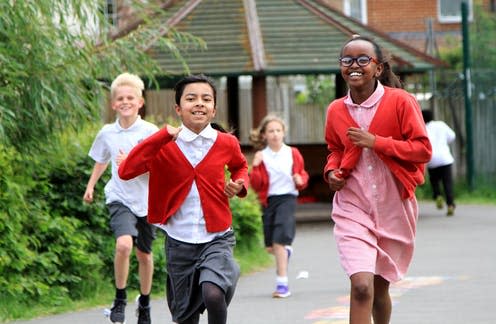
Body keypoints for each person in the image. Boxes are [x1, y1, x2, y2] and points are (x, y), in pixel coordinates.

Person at [118, 74, 249, 324]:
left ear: (213, 110)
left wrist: (239, 184)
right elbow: (126, 171)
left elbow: (240, 167)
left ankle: (225, 271)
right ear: (178, 108)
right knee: (185, 317)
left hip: (217, 237)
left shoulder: (226, 143)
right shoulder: (164, 145)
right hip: (179, 243)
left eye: (206, 99)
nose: (199, 103)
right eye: (191, 99)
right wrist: (161, 136)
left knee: (213, 292)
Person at [323, 35, 432, 324]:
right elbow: (335, 149)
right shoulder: (336, 109)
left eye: (363, 60)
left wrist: (376, 142)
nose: (354, 66)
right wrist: (332, 172)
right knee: (361, 286)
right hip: (352, 206)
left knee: (380, 288)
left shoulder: (401, 102)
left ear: (378, 68)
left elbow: (422, 149)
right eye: (347, 60)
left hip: (394, 206)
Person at [83, 72, 159, 324]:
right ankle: (119, 298)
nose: (125, 102)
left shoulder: (150, 132)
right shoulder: (107, 132)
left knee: (144, 256)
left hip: (147, 200)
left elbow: (160, 167)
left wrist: (132, 163)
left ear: (140, 102)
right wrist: (91, 185)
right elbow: (102, 159)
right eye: (120, 98)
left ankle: (145, 303)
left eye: (131, 97)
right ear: (114, 104)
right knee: (124, 245)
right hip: (119, 196)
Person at [249, 114, 309, 298]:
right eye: (270, 131)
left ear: (283, 133)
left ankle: (282, 285)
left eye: (278, 130)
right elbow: (256, 184)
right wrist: (255, 165)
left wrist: (300, 180)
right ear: (264, 135)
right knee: (270, 246)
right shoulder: (261, 156)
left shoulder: (293, 153)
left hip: (287, 198)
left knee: (279, 241)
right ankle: (285, 251)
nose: (275, 134)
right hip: (268, 201)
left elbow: (302, 176)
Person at [421, 109, 456, 216]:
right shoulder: (441, 124)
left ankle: (437, 195)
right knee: (447, 183)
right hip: (445, 159)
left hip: (432, 160)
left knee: (434, 181)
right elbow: (452, 136)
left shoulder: (423, 129)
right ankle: (450, 205)